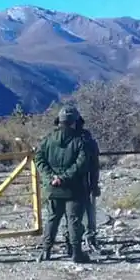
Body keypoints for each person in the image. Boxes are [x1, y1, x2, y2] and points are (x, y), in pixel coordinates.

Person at [34, 106, 91, 263]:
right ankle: (76, 253)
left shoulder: (48, 140)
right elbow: (81, 163)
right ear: (74, 122)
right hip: (74, 188)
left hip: (53, 187)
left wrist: (51, 177)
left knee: (52, 219)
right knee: (74, 220)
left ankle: (46, 251)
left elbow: (39, 159)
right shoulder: (80, 141)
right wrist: (64, 178)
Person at [61, 115, 101, 254]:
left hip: (75, 182)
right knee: (83, 213)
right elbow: (94, 164)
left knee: (72, 215)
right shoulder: (86, 138)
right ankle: (83, 240)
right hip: (80, 183)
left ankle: (72, 242)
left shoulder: (64, 138)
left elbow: (94, 164)